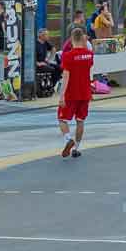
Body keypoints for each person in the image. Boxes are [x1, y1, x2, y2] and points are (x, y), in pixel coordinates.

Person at [56, 23, 94, 158]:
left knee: (62, 119)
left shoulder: (67, 56)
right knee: (80, 120)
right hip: (84, 93)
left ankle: (68, 139)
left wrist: (61, 96)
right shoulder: (89, 55)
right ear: (83, 38)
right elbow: (89, 72)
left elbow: (66, 76)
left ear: (71, 39)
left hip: (71, 93)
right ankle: (76, 148)